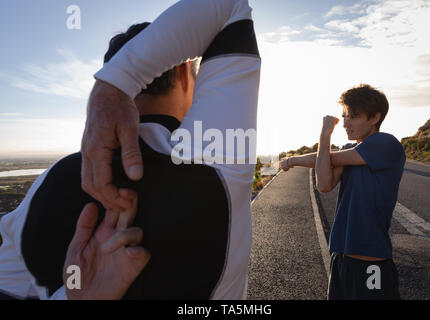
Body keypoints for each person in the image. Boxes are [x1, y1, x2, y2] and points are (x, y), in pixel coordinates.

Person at [0, 0, 260, 300]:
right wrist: (114, 85)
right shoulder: (217, 158)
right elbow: (229, 8)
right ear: (187, 77)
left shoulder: (49, 182)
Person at [281, 84, 405, 300]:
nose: (346, 123)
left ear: (375, 118)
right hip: (341, 257)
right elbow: (324, 184)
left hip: (371, 262)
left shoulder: (385, 143)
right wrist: (295, 159)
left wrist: (322, 136)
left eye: (354, 116)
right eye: (345, 116)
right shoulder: (349, 150)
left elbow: (330, 158)